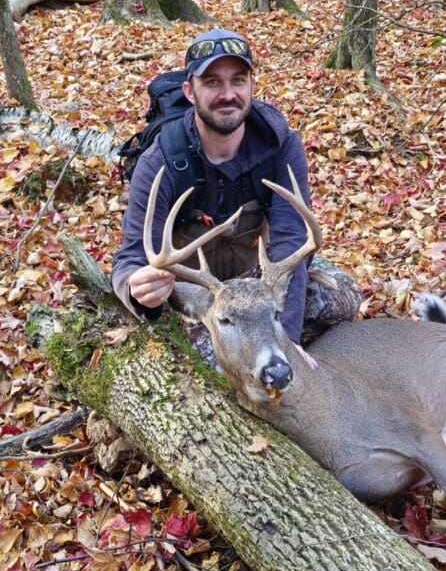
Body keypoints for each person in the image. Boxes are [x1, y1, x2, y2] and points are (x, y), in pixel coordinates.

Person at [112, 28, 359, 347]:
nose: (227, 94)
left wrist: (286, 346)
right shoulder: (160, 161)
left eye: (238, 80)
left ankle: (257, 344)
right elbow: (130, 258)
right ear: (190, 91)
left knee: (344, 296)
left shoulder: (280, 145)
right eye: (212, 82)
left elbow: (291, 242)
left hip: (254, 282)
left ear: (252, 84)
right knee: (206, 352)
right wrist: (136, 287)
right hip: (196, 295)